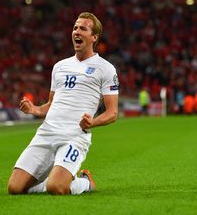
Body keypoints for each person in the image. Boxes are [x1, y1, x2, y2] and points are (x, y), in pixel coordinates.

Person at [7, 12, 119, 195]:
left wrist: (93, 122)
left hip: (74, 137)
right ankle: (54, 177)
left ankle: (84, 182)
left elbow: (112, 113)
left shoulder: (105, 69)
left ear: (94, 37)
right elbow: (51, 104)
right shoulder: (59, 67)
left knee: (56, 188)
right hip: (47, 133)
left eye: (83, 28)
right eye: (75, 27)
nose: (77, 31)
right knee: (14, 188)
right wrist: (34, 109)